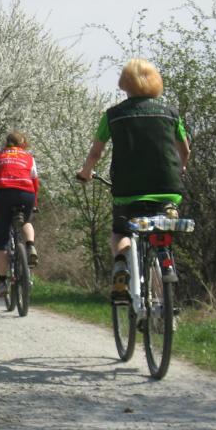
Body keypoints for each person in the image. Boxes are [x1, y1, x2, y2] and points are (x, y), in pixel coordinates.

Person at [77, 58, 190, 302]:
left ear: (124, 84)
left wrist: (85, 172)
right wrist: (180, 169)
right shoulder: (171, 114)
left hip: (128, 190)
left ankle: (121, 265)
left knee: (121, 232)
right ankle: (164, 303)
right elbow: (185, 151)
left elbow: (95, 153)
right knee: (160, 233)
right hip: (168, 188)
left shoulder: (113, 115)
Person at [0, 131, 40, 298]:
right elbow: (35, 183)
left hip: (3, 195)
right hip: (26, 194)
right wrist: (34, 204)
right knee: (26, 221)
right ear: (23, 144)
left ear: (6, 143)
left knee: (2, 240)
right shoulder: (29, 158)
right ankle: (30, 245)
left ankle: (1, 283)